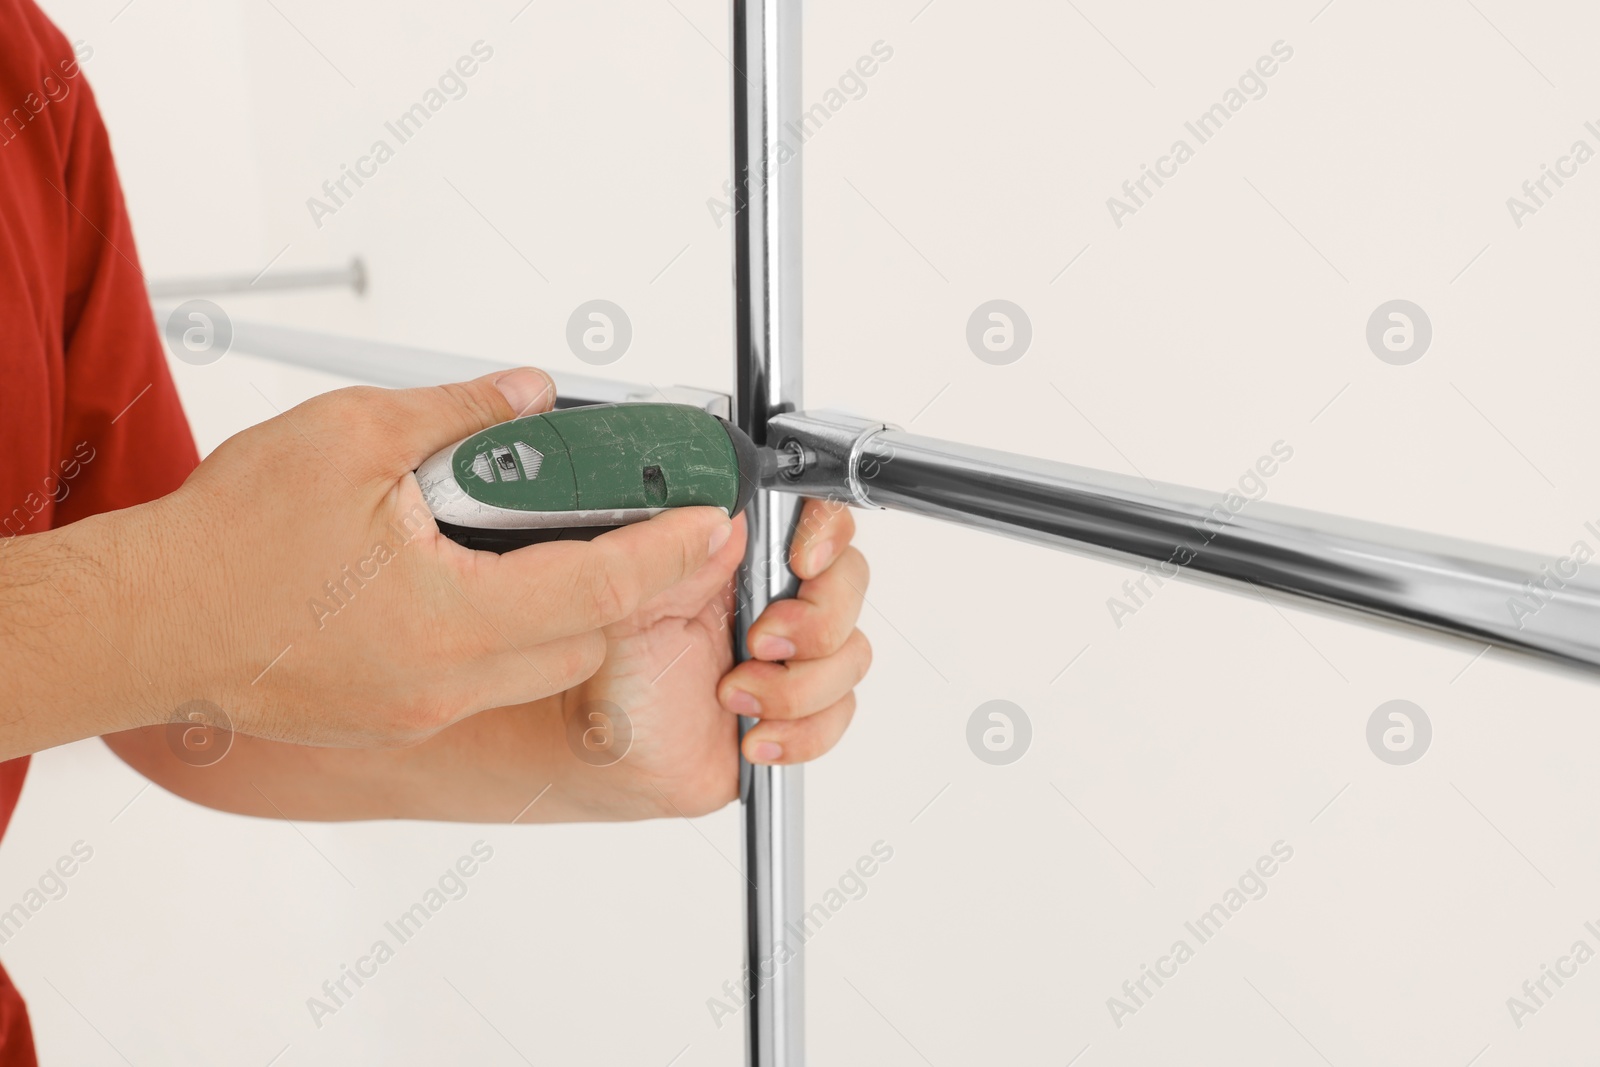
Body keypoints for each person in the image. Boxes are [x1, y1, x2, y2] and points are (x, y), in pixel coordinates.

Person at [0, 1, 870, 1060]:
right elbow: (172, 626)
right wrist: (186, 598)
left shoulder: (20, 74)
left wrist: (576, 738)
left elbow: (167, 695)